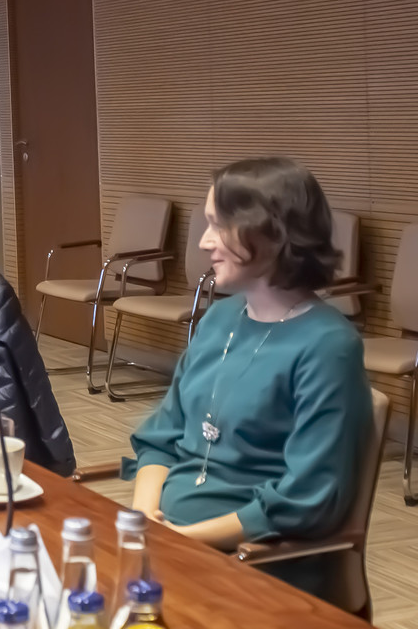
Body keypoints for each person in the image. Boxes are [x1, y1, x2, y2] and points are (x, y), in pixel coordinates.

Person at [128, 158, 371, 590]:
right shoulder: (219, 318)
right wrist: (145, 517)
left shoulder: (329, 346)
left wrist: (183, 540)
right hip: (171, 545)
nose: (204, 241)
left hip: (260, 564)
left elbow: (307, 500)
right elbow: (161, 438)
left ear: (273, 233)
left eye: (219, 225)